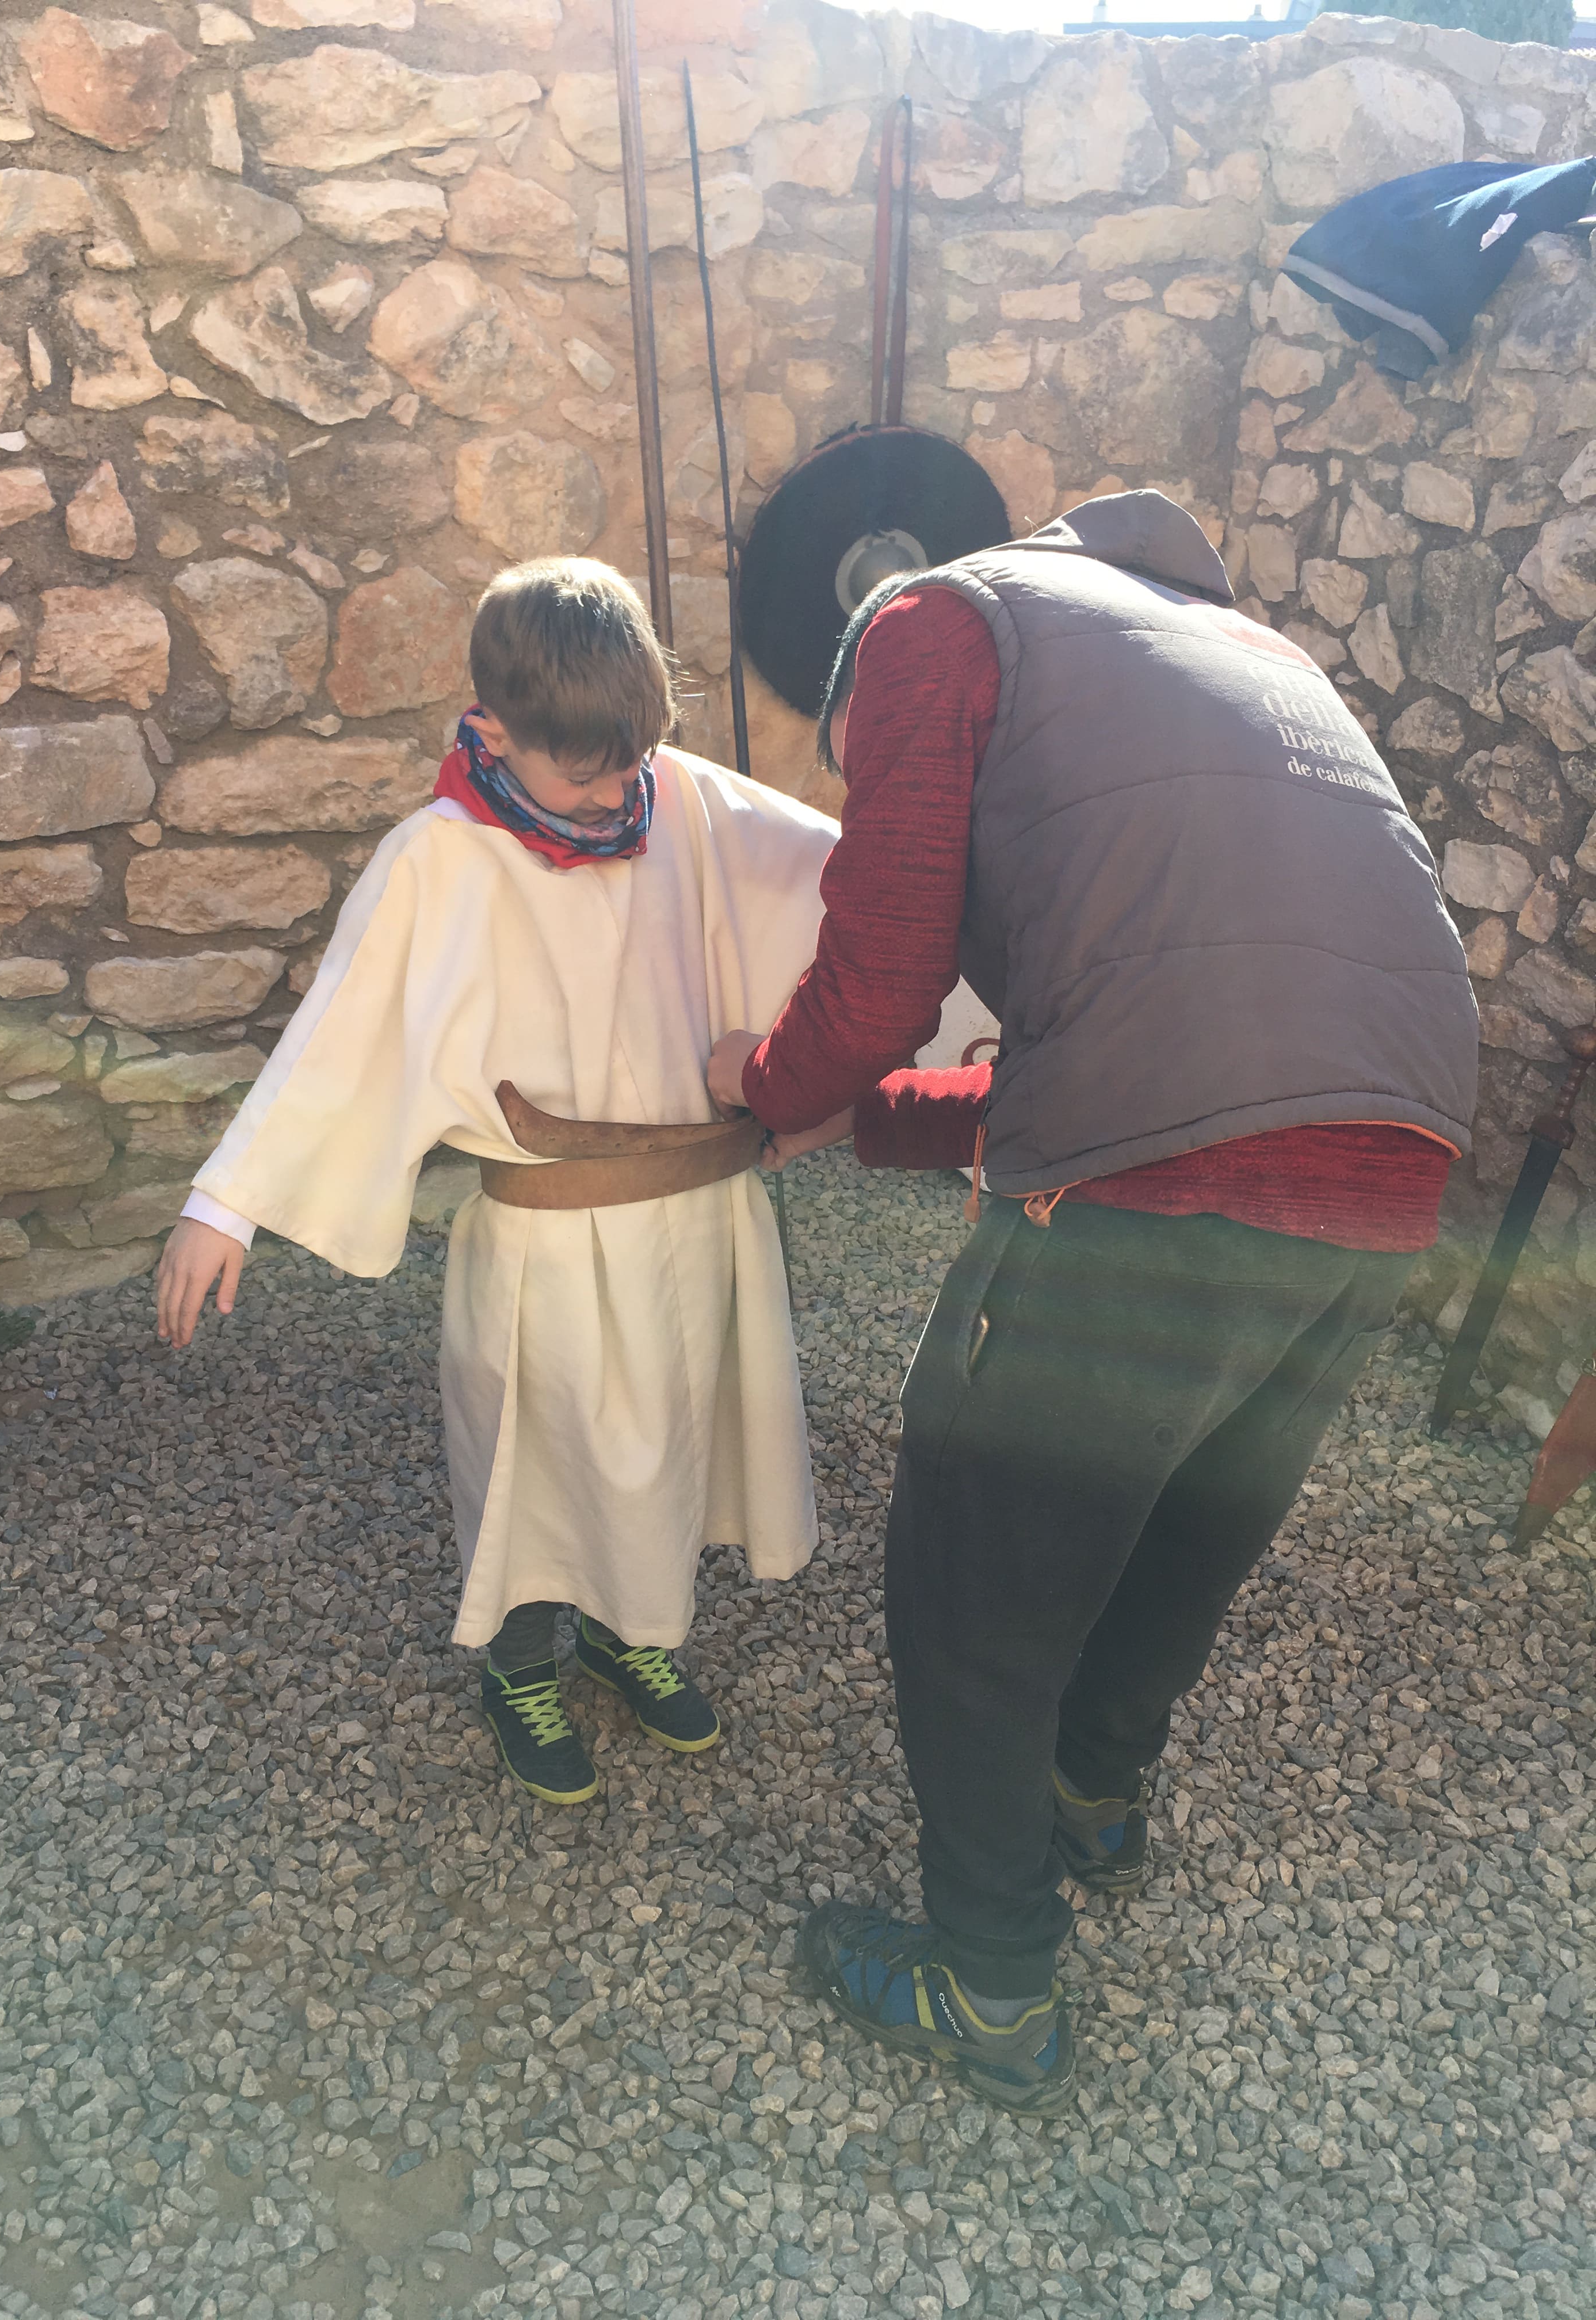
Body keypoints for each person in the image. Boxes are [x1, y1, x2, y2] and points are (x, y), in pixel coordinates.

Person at [708, 491, 1479, 2116]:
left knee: (973, 1578)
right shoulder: (1234, 653)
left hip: (1166, 1174)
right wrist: (870, 1121)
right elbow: (1158, 1049)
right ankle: (1093, 1799)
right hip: (1394, 1168)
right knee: (1190, 1518)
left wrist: (766, 1086)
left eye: (853, 761)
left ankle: (991, 1984)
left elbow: (883, 975)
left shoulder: (928, 626)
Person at [158, 558, 838, 1804]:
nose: (615, 790)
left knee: (674, 1434)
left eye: (631, 759)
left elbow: (843, 884)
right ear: (496, 730)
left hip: (704, 1211)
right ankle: (522, 1666)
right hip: (547, 1235)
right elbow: (343, 1029)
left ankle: (632, 1633)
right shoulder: (440, 858)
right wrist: (227, 1203)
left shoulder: (682, 799)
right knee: (541, 1457)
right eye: (582, 770)